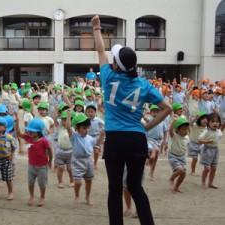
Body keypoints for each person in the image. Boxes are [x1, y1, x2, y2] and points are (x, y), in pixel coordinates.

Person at [91, 15, 172, 225]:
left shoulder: (108, 77)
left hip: (115, 139)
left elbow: (100, 51)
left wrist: (96, 27)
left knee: (115, 189)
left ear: (116, 64)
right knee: (136, 187)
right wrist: (146, 126)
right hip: (136, 138)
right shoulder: (144, 84)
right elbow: (167, 108)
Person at [66, 110, 104, 206]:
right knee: (78, 182)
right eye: (84, 128)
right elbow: (68, 127)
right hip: (78, 161)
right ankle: (77, 195)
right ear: (77, 128)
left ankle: (87, 196)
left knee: (89, 180)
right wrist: (68, 115)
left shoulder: (89, 137)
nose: (86, 130)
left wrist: (101, 135)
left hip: (88, 161)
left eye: (87, 128)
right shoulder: (74, 136)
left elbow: (95, 142)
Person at [15, 118, 53, 207]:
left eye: (33, 131)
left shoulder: (44, 141)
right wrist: (16, 124)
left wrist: (50, 161)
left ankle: (42, 196)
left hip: (42, 166)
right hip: (31, 165)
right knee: (30, 182)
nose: (30, 132)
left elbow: (49, 151)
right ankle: (31, 195)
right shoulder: (29, 138)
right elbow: (19, 134)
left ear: (39, 132)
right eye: (29, 130)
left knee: (42, 183)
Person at [198, 113, 223, 189]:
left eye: (217, 121)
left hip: (216, 150)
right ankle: (203, 182)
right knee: (207, 168)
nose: (215, 123)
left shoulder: (218, 131)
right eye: (212, 121)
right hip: (207, 150)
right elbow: (199, 140)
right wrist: (207, 141)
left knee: (214, 168)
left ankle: (210, 183)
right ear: (208, 123)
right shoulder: (206, 131)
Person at [168, 116, 189, 193]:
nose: (186, 131)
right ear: (178, 129)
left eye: (187, 129)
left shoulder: (186, 138)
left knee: (183, 173)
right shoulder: (175, 136)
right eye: (184, 129)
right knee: (180, 170)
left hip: (182, 157)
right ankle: (171, 179)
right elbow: (170, 130)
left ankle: (176, 187)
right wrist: (174, 121)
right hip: (173, 156)